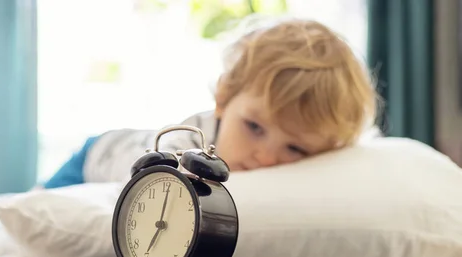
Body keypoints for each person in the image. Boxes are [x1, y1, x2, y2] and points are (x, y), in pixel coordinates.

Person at [41, 18, 378, 189]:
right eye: (255, 127)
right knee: (36, 208)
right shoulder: (185, 147)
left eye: (295, 148)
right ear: (224, 97)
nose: (266, 157)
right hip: (95, 158)